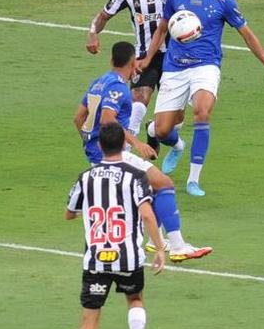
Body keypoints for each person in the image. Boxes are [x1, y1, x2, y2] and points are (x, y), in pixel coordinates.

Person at [137, 0, 264, 197]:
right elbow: (162, 29)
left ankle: (193, 180)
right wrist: (148, 58)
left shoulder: (223, 0)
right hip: (174, 68)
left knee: (202, 111)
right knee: (162, 131)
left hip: (205, 66)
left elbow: (247, 34)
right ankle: (176, 144)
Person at [74, 41, 212, 262]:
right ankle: (177, 246)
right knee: (164, 183)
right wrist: (136, 143)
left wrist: (89, 143)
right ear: (133, 64)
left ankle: (154, 240)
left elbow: (78, 118)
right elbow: (107, 119)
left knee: (153, 188)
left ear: (111, 60)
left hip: (99, 155)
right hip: (112, 156)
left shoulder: (98, 82)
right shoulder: (118, 87)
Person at [63, 121, 167, 329]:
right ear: (124, 144)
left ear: (99, 146)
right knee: (135, 300)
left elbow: (69, 213)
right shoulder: (135, 176)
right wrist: (159, 248)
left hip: (96, 260)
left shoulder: (86, 178)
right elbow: (146, 214)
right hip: (128, 258)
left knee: (88, 324)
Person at [86, 0, 183, 154]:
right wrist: (92, 33)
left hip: (175, 56)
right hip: (142, 58)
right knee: (137, 104)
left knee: (174, 122)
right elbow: (104, 15)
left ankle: (156, 133)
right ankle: (126, 157)